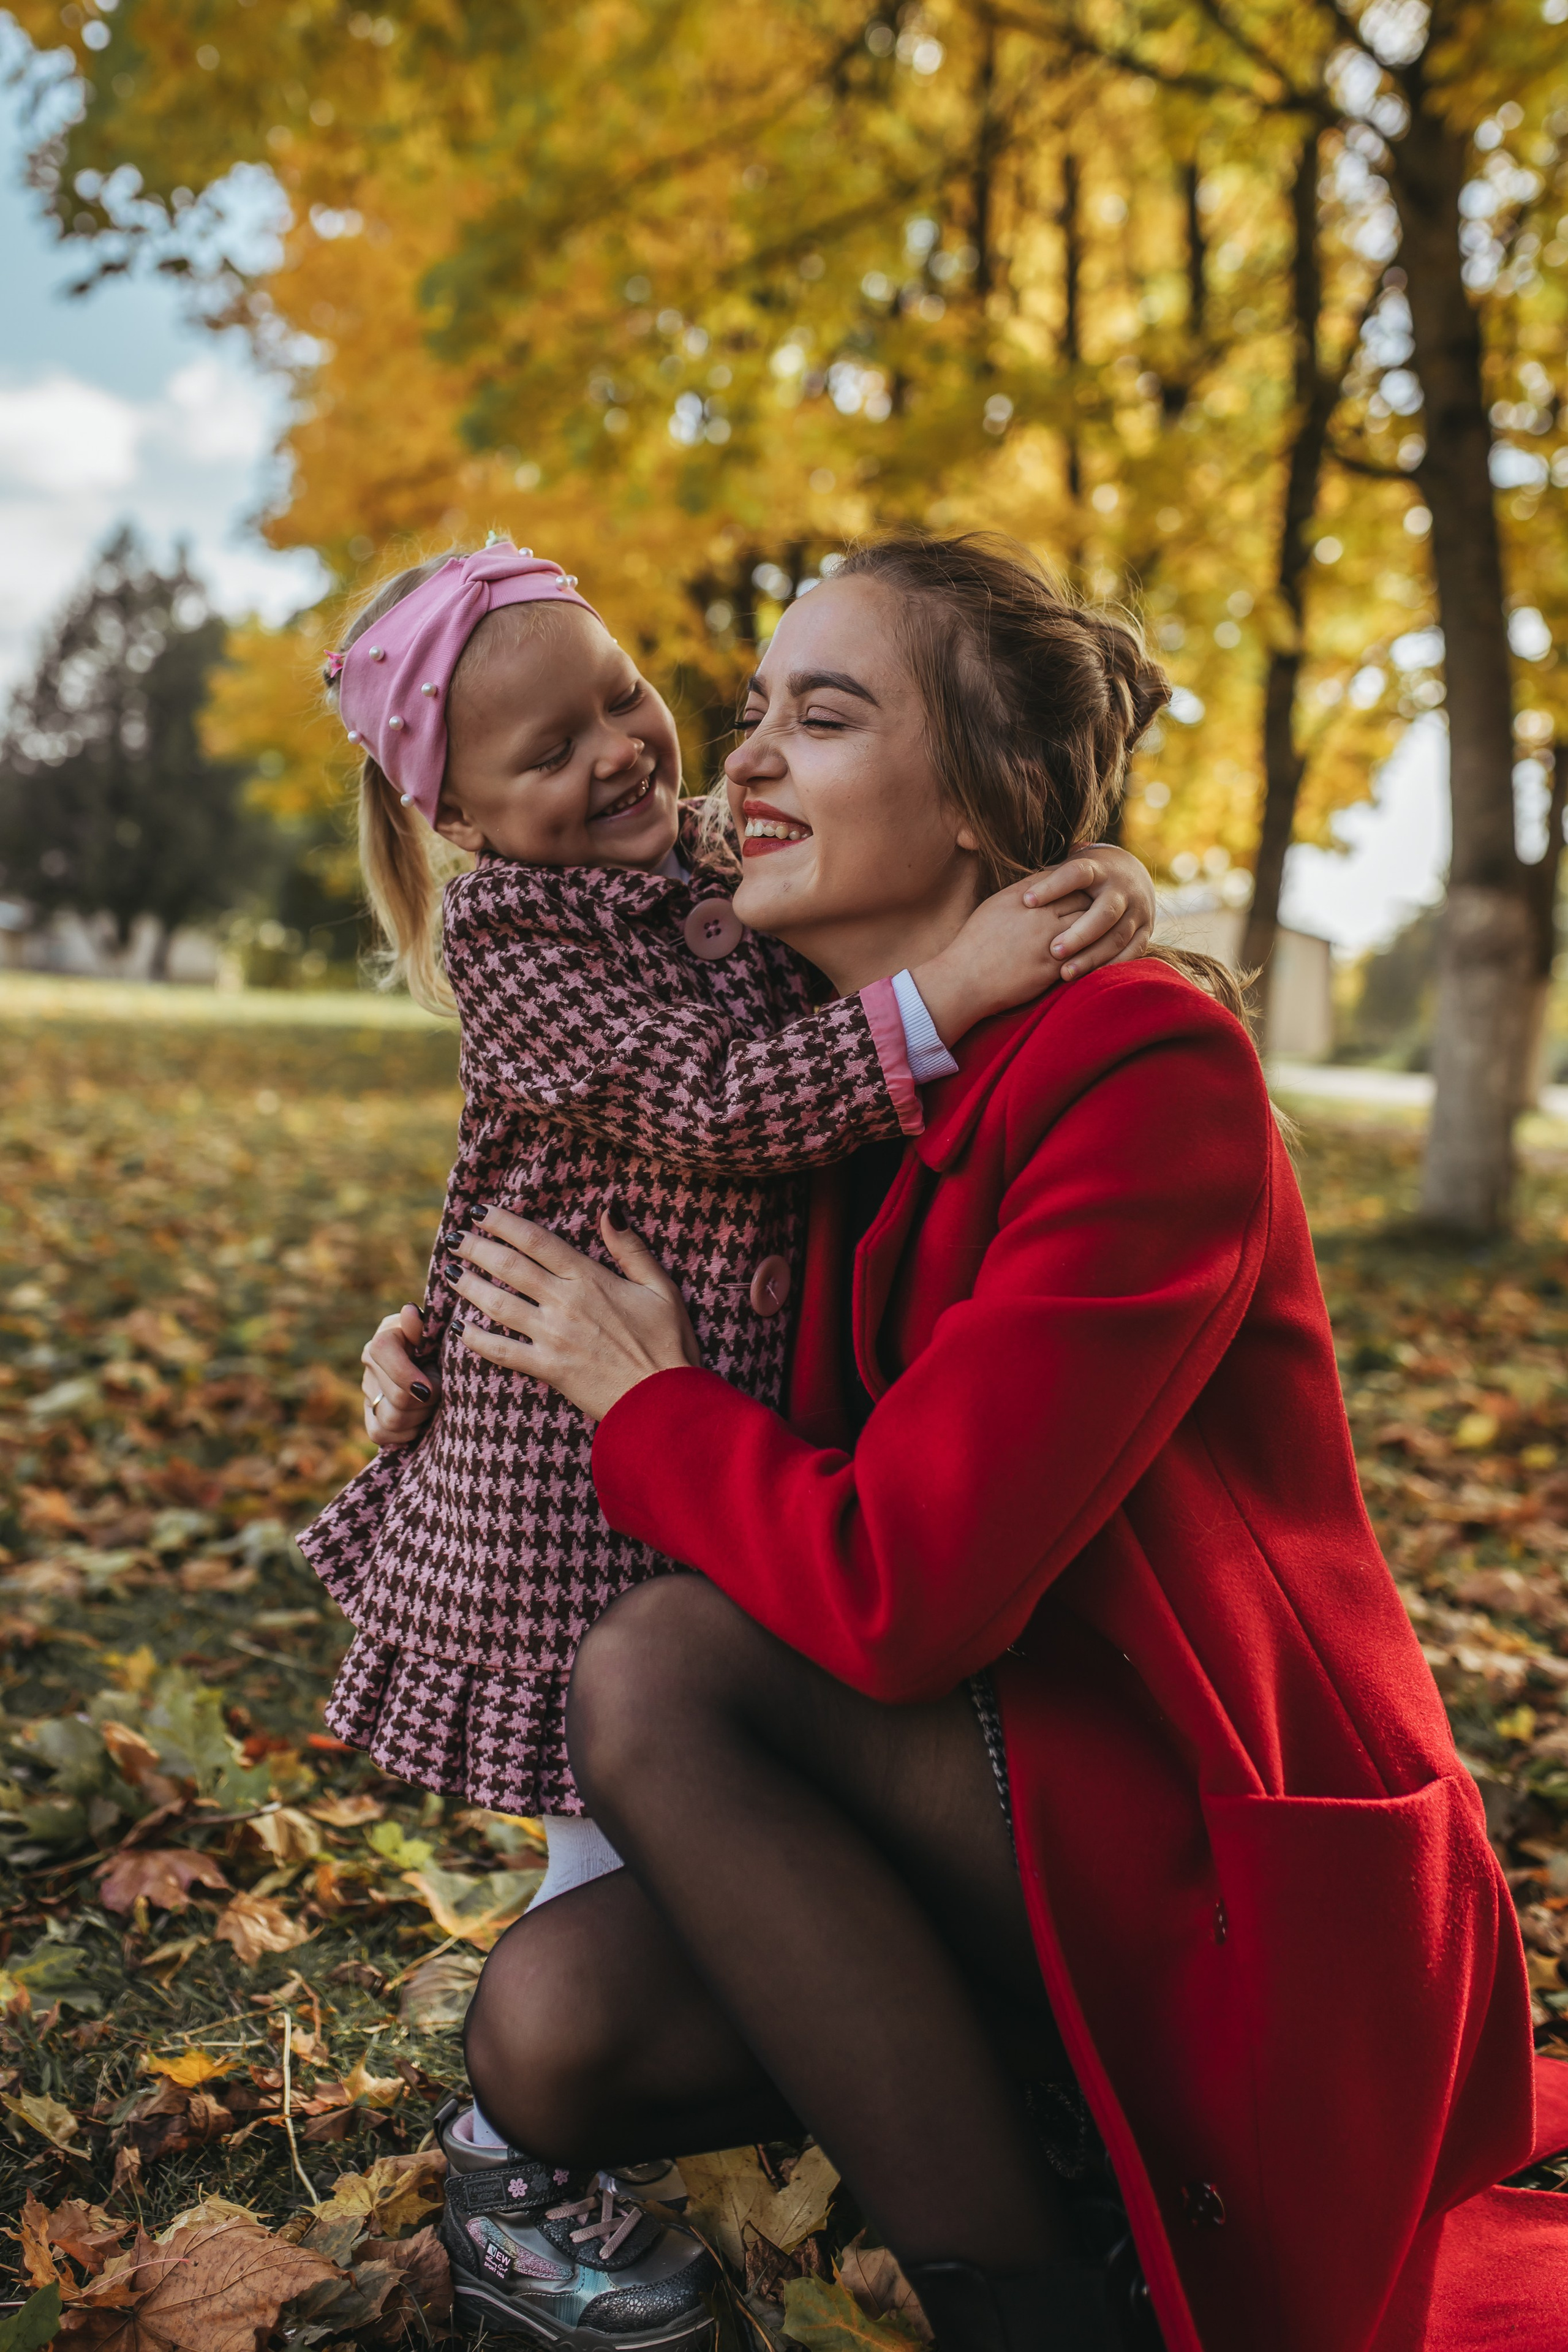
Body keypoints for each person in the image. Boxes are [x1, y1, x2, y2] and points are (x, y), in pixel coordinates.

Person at [440, 534, 1568, 2352]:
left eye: (823, 716)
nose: (740, 764)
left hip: (1213, 1844)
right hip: (1001, 1798)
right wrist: (450, 1349)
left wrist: (647, 1405)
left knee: (657, 1668)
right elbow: (626, 1178)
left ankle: (1041, 2315)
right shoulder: (845, 1078)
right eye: (750, 715)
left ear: (975, 805)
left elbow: (901, 1593)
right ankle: (1047, 2139)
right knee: (551, 2028)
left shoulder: (1141, 1074)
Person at [298, 537, 1159, 2345]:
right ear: (461, 820)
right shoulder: (520, 930)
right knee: (609, 1786)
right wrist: (441, 1332)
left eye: (629, 697)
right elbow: (672, 1108)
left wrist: (1019, 926)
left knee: (659, 1736)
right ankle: (567, 2166)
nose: (647, 750)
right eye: (549, 752)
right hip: (574, 1471)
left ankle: (997, 2175)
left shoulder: (718, 878)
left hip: (795, 1533)